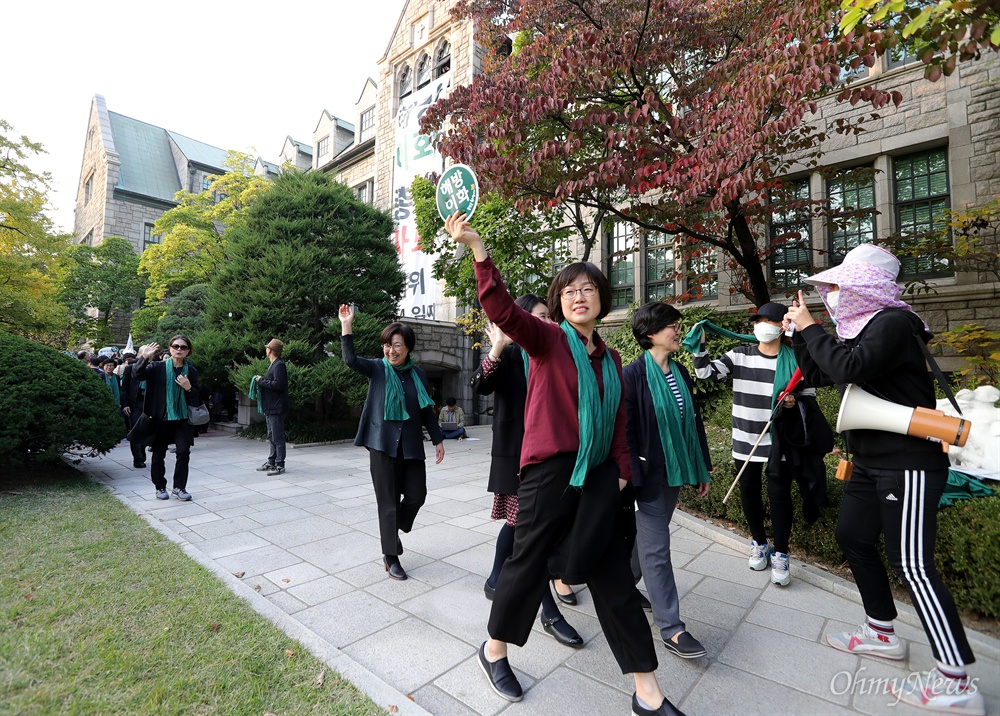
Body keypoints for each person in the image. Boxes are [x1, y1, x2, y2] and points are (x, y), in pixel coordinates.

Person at [446, 212, 682, 716]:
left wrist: (620, 472)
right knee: (526, 563)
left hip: (599, 477)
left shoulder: (612, 361)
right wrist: (478, 248)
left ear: (601, 299)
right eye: (569, 290)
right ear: (559, 302)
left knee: (613, 575)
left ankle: (648, 691)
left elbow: (620, 424)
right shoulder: (548, 340)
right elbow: (503, 311)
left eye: (589, 289)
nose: (579, 296)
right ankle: (494, 651)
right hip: (549, 473)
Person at [785, 244, 983, 716]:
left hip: (907, 462)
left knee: (912, 565)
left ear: (865, 285)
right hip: (871, 460)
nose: (833, 294)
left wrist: (814, 327)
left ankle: (956, 680)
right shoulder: (864, 328)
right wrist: (800, 335)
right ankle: (881, 632)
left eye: (839, 285)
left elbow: (849, 368)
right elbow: (823, 373)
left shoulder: (894, 322)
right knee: (852, 535)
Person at [471, 294, 583, 649]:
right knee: (528, 536)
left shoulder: (554, 355)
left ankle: (494, 577)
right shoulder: (511, 355)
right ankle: (548, 612)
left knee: (523, 528)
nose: (546, 322)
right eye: (538, 316)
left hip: (550, 461)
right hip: (519, 458)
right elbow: (479, 385)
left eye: (548, 316)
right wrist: (496, 347)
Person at [693, 301, 815, 586]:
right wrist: (700, 347)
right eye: (757, 320)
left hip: (778, 442)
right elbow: (705, 374)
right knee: (749, 493)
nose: (761, 326)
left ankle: (782, 553)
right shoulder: (739, 355)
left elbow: (809, 397)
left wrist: (794, 401)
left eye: (768, 321)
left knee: (779, 496)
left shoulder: (795, 359)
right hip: (745, 440)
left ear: (783, 327)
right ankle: (759, 542)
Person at [624, 301, 712, 659]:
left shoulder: (681, 372)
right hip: (648, 475)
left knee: (649, 539)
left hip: (676, 471)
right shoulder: (632, 375)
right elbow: (626, 430)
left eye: (677, 324)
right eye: (671, 325)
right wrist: (632, 474)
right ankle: (672, 628)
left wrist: (701, 466)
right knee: (658, 549)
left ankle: (624, 584)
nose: (678, 330)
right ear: (649, 333)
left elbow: (693, 422)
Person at [339, 304, 445, 581]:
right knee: (387, 502)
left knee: (416, 495)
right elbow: (350, 360)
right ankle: (391, 556)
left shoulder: (418, 375)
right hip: (383, 445)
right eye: (387, 345)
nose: (391, 350)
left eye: (396, 345)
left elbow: (425, 408)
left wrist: (437, 439)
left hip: (410, 445)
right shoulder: (377, 369)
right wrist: (346, 325)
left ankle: (392, 528)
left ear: (408, 347)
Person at [133, 335, 204, 501]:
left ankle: (179, 487)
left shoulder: (191, 371)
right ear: (170, 348)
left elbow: (197, 397)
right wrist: (144, 357)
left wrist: (189, 388)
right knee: (158, 454)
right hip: (160, 418)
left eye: (183, 347)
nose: (179, 349)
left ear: (188, 351)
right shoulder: (157, 367)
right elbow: (137, 375)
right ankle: (160, 486)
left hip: (181, 419)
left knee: (183, 451)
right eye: (176, 346)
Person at [254, 338, 290, 476]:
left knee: (277, 436)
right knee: (271, 435)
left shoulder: (279, 365)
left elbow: (279, 385)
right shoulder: (274, 364)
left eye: (267, 348)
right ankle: (272, 461)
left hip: (277, 407)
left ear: (269, 350)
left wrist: (261, 381)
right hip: (271, 407)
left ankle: (280, 464)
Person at [120, 351, 147, 468]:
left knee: (147, 430)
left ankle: (142, 450)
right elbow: (124, 388)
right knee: (135, 430)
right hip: (134, 404)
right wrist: (125, 404)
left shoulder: (155, 368)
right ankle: (138, 458)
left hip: (149, 404)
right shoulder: (130, 369)